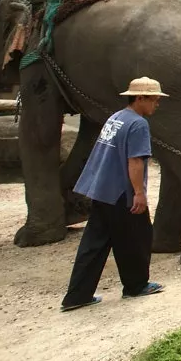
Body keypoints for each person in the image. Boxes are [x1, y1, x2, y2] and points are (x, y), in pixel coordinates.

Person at [60, 77, 167, 311]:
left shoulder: (115, 118)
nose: (157, 105)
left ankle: (77, 295)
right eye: (155, 100)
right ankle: (136, 286)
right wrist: (139, 193)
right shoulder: (139, 124)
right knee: (138, 238)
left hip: (102, 189)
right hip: (121, 191)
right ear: (140, 98)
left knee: (94, 244)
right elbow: (136, 161)